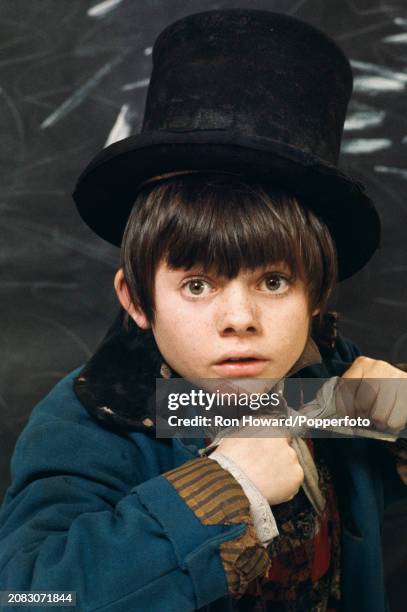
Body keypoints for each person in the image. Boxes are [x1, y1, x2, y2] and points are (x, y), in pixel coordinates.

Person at [0, 9, 406, 612]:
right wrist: (225, 490)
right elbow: (30, 597)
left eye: (273, 281)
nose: (239, 318)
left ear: (316, 296)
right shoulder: (90, 424)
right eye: (197, 286)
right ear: (136, 300)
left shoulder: (336, 391)